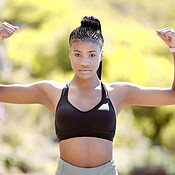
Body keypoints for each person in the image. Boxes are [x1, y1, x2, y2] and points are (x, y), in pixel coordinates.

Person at [0, 16, 175, 175]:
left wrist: (174, 48)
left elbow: (172, 96)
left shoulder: (118, 93)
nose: (84, 62)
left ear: (101, 56)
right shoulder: (51, 92)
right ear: (70, 55)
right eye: (78, 54)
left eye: (91, 55)